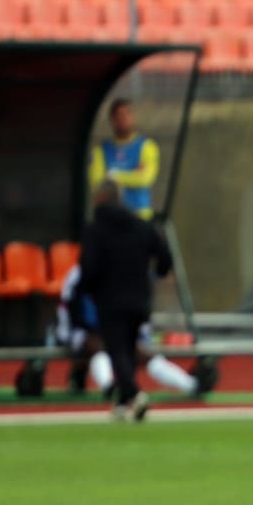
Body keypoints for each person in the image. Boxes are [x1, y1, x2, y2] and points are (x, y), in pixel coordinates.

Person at [77, 179, 173, 421]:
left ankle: (135, 394)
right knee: (128, 349)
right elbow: (165, 256)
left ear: (100, 199)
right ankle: (121, 404)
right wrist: (154, 276)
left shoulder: (96, 230)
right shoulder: (141, 225)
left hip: (110, 299)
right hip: (140, 298)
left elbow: (88, 268)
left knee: (116, 348)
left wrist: (87, 291)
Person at [56, 262, 215, 399]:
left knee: (143, 355)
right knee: (99, 348)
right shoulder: (79, 274)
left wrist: (138, 335)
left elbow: (136, 309)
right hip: (84, 332)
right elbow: (67, 307)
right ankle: (109, 387)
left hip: (117, 331)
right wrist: (68, 336)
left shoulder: (126, 273)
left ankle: (192, 386)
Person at [89, 98, 160, 221]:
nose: (123, 119)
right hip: (111, 218)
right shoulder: (100, 151)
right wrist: (132, 175)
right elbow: (96, 183)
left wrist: (111, 175)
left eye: (127, 114)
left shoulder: (147, 147)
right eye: (119, 115)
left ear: (133, 117)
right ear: (112, 120)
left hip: (139, 215)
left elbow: (145, 178)